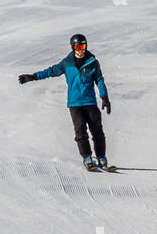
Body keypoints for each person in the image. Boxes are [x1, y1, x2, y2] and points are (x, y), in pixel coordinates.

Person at [18, 33, 112, 170]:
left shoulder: (93, 62)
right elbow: (51, 71)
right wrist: (33, 77)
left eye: (83, 46)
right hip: (75, 104)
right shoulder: (67, 64)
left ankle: (101, 157)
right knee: (80, 132)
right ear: (73, 47)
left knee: (97, 131)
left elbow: (99, 80)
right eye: (78, 46)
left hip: (90, 102)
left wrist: (104, 97)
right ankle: (87, 158)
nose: (81, 49)